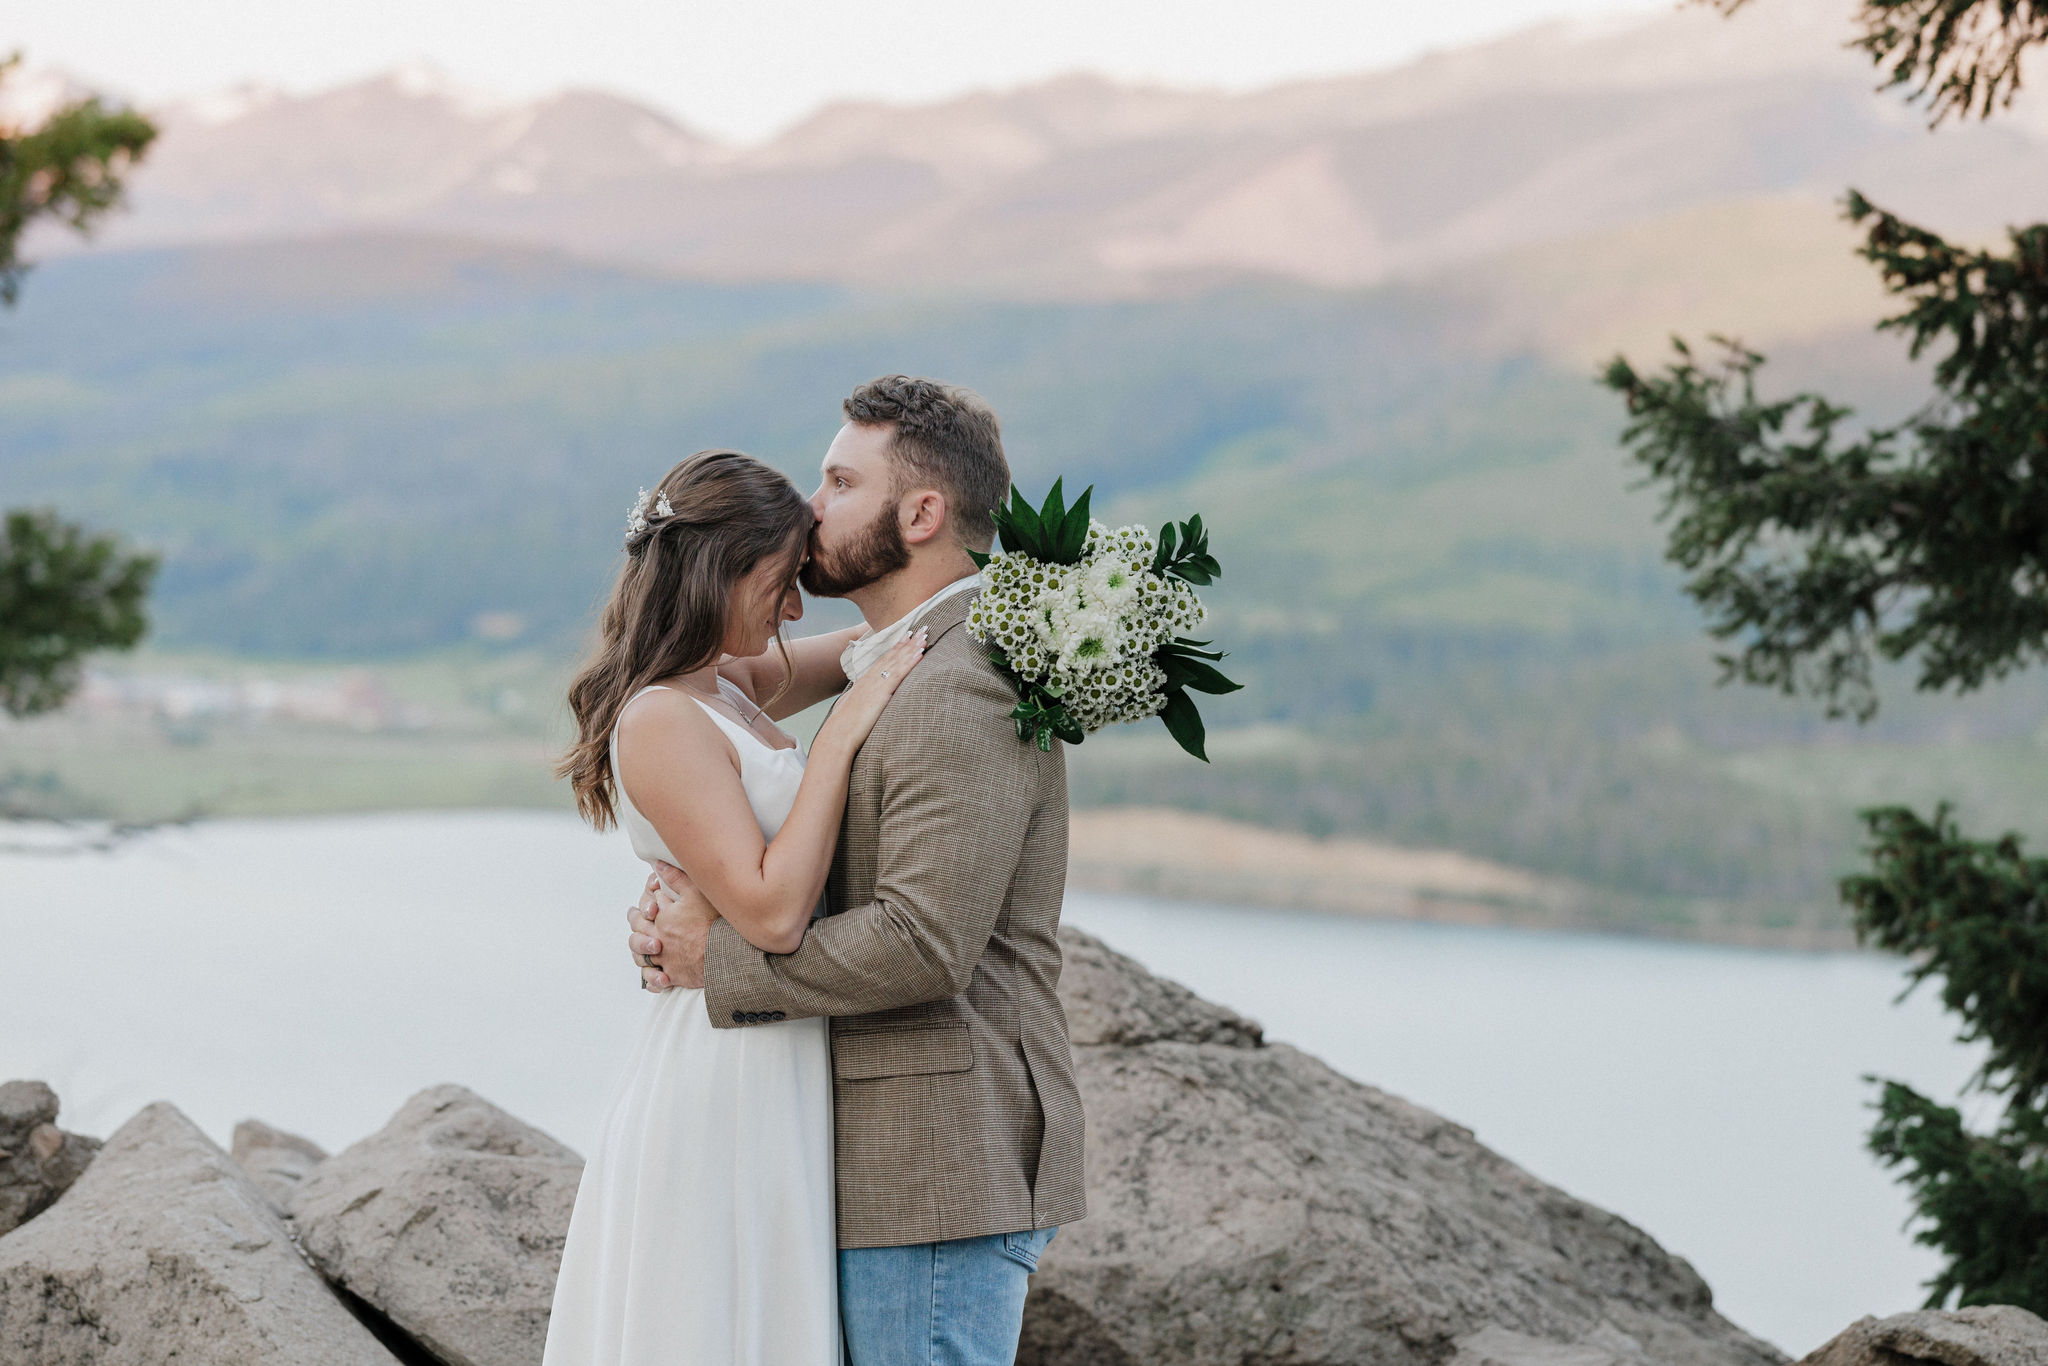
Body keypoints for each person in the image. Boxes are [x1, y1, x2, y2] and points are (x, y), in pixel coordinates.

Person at [629, 376, 1087, 1366]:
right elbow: (708, 700)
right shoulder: (913, 655)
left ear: (920, 512)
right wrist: (694, 878)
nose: (810, 507)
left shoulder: (960, 687)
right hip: (872, 1164)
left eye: (839, 480)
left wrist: (717, 960)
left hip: (930, 1167)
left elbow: (923, 942)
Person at [543, 447, 928, 1365]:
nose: (795, 609)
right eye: (781, 581)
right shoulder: (659, 720)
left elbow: (893, 642)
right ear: (720, 569)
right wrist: (837, 744)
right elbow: (770, 915)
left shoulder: (728, 686)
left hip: (772, 1051)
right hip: (721, 1074)